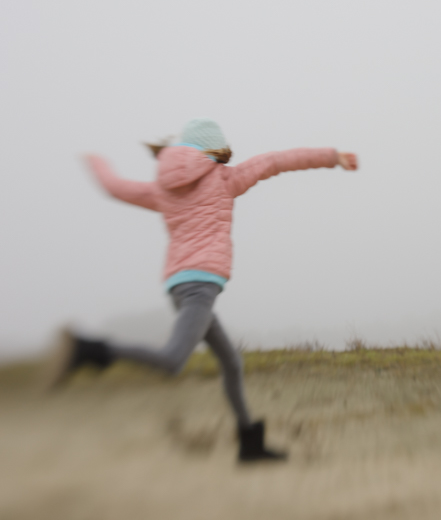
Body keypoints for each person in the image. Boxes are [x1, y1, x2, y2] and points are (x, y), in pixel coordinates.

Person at [46, 118, 358, 463]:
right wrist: (333, 156)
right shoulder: (225, 179)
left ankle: (250, 444)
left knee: (232, 363)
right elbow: (277, 161)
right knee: (172, 360)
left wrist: (94, 160)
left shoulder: (162, 189)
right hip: (201, 287)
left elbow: (115, 187)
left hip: (179, 286)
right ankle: (88, 349)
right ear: (214, 151)